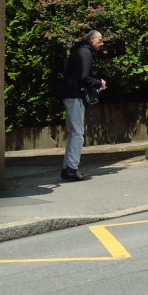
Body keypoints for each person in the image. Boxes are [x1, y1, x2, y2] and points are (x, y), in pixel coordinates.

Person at [57, 29, 106, 182]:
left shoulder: (78, 50)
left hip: (68, 93)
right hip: (75, 95)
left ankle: (67, 168)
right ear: (91, 39)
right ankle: (71, 168)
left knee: (73, 132)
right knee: (78, 133)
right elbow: (84, 77)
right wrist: (99, 82)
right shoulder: (86, 52)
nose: (102, 43)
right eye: (100, 40)